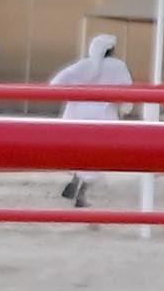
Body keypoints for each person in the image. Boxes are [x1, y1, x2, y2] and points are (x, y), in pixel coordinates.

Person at [48, 31, 131, 208]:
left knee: (79, 150)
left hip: (76, 113)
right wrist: (125, 106)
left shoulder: (82, 65)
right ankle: (82, 193)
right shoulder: (117, 66)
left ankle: (75, 182)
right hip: (102, 115)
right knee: (98, 155)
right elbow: (126, 90)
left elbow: (56, 83)